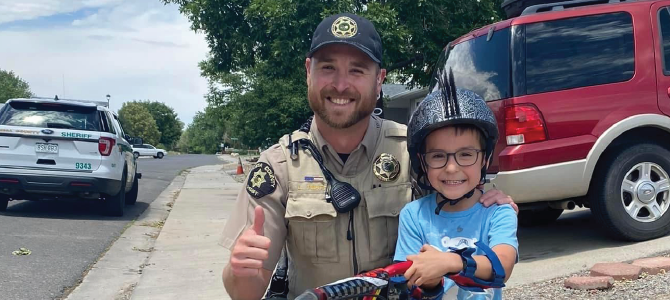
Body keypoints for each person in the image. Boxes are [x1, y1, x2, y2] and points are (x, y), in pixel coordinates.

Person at [218, 12, 517, 300]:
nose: (341, 84)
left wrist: (491, 199)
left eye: (357, 70)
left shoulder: (413, 150)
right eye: (328, 68)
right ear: (308, 71)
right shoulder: (279, 166)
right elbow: (247, 293)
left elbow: (458, 190)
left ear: (379, 80)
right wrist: (241, 269)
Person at [394, 69, 519, 299]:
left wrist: (451, 262)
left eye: (466, 154)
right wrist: (430, 283)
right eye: (438, 156)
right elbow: (408, 285)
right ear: (423, 161)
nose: (452, 168)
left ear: (485, 158)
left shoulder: (498, 212)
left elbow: (503, 266)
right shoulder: (413, 216)